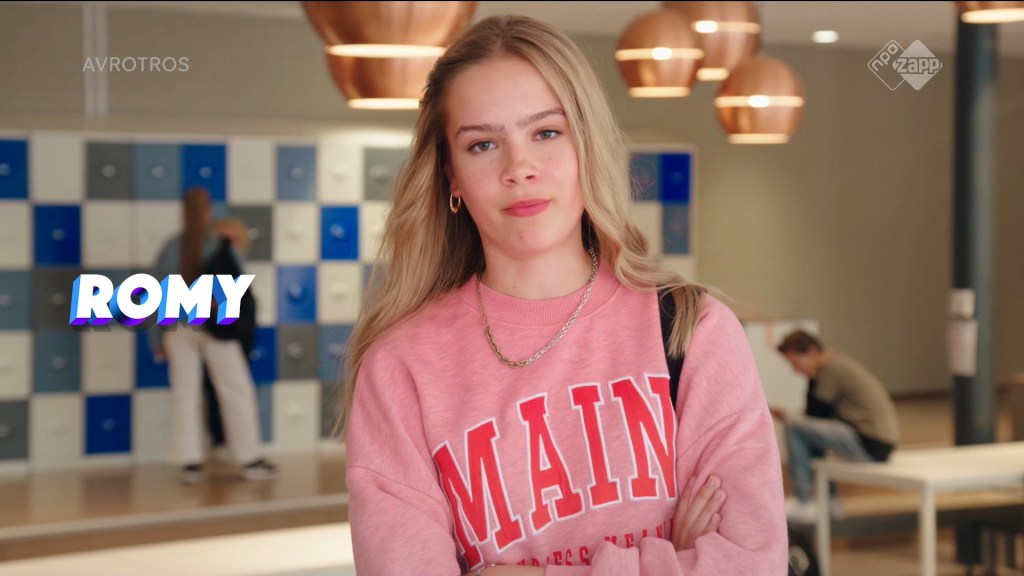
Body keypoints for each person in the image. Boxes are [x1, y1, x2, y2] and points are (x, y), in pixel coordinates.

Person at [339, 15, 787, 576]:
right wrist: (668, 562)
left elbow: (752, 565)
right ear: (451, 175)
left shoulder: (691, 331)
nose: (519, 168)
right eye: (482, 144)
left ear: (586, 145)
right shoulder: (400, 368)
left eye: (546, 133)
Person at [149, 187, 277, 485]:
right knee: (236, 390)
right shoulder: (220, 246)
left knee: (186, 393)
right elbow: (240, 291)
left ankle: (190, 462)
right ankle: (248, 458)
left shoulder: (170, 247)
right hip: (215, 327)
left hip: (178, 328)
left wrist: (156, 340)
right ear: (208, 211)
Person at [772, 329, 901, 524]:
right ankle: (830, 501)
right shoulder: (834, 365)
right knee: (804, 431)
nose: (795, 370)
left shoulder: (832, 369)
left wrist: (811, 380)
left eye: (796, 363)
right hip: (871, 440)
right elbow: (816, 418)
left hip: (870, 442)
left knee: (794, 427)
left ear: (812, 352)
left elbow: (815, 414)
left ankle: (803, 500)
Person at [200, 217, 258, 454]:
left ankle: (230, 445)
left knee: (229, 392)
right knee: (225, 392)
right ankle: (225, 443)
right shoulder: (217, 262)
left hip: (235, 333)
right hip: (221, 333)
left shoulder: (234, 263)